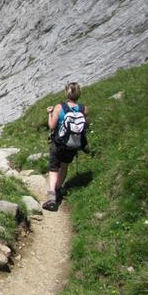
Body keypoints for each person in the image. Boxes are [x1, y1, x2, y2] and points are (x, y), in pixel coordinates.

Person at [43, 82, 88, 211]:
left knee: (53, 168)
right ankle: (58, 189)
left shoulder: (59, 107)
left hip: (58, 143)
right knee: (64, 166)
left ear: (66, 93)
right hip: (73, 144)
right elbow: (85, 125)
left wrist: (49, 113)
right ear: (79, 94)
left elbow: (52, 126)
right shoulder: (84, 109)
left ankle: (52, 196)